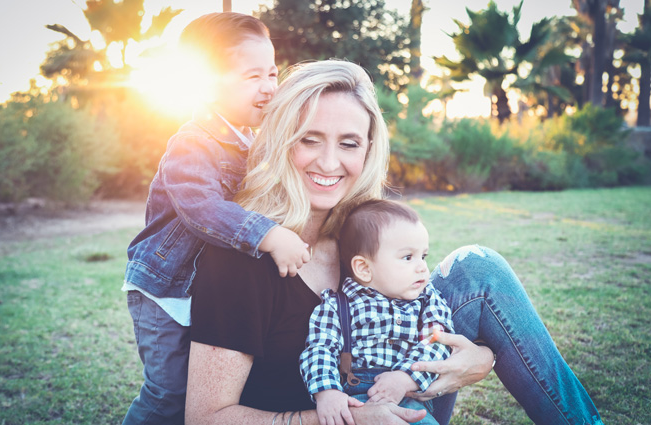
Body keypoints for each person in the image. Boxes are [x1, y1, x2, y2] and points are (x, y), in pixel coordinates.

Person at [186, 59, 604, 425]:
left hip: (400, 398)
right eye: (309, 139)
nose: (329, 163)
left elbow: (423, 315)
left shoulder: (361, 227)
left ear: (368, 150)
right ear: (280, 140)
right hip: (330, 416)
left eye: (348, 143)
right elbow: (206, 418)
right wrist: (347, 417)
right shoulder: (240, 257)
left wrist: (482, 359)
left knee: (479, 267)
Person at [121, 12, 310, 425]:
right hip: (164, 291)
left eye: (273, 73)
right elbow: (201, 208)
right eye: (252, 77)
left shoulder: (250, 140)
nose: (268, 87)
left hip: (202, 289)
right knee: (169, 392)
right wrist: (269, 235)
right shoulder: (192, 142)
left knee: (206, 386)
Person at [299, 199, 453, 425]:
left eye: (423, 256)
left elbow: (438, 342)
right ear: (364, 268)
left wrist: (405, 378)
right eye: (407, 257)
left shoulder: (428, 299)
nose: (421, 266)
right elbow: (319, 348)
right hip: (354, 399)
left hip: (408, 397)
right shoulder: (338, 304)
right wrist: (327, 392)